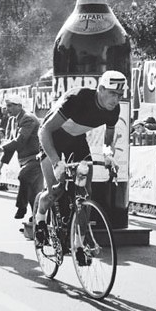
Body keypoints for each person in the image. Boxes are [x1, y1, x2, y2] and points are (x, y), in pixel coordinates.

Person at [34, 70, 126, 258]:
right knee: (55, 191)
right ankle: (40, 217)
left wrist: (109, 155)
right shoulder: (77, 98)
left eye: (119, 95)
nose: (115, 99)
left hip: (76, 141)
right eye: (112, 93)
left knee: (84, 195)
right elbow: (44, 131)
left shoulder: (113, 111)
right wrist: (55, 161)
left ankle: (78, 244)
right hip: (53, 138)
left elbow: (108, 142)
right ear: (100, 89)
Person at [0, 95, 43, 219]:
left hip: (36, 159)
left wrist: (0, 149)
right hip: (26, 160)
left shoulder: (28, 119)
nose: (7, 109)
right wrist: (1, 163)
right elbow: (12, 144)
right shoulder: (13, 120)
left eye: (10, 105)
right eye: (7, 106)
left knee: (23, 176)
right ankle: (36, 222)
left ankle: (21, 208)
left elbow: (20, 140)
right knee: (33, 194)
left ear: (20, 106)